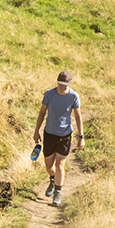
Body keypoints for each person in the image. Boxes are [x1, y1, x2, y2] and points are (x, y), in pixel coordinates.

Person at [33, 70, 84, 208]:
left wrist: (81, 137)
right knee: (49, 166)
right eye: (60, 84)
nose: (62, 87)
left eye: (65, 85)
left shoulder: (74, 96)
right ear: (57, 82)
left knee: (60, 164)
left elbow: (78, 117)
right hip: (49, 134)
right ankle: (52, 179)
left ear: (69, 84)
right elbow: (42, 113)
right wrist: (36, 130)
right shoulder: (49, 94)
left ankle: (58, 193)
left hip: (65, 135)